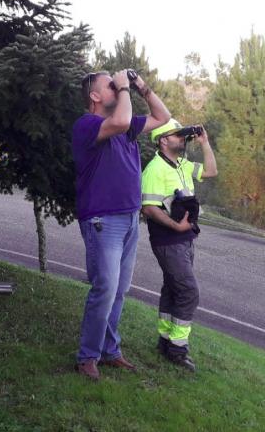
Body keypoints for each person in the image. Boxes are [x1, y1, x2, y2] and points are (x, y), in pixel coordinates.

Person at [72, 69, 171, 381]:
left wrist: (139, 85)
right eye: (110, 86)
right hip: (103, 219)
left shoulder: (125, 129)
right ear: (95, 96)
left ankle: (109, 351)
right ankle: (87, 356)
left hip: (129, 219)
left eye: (118, 86)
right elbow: (119, 121)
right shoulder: (86, 124)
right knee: (105, 287)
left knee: (119, 290)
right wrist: (125, 88)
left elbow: (163, 116)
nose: (117, 89)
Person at [141, 119, 218, 372]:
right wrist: (175, 227)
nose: (182, 139)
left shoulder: (182, 164)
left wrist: (204, 143)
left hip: (184, 239)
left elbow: (210, 172)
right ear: (163, 140)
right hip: (169, 239)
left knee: (173, 289)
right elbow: (149, 208)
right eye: (178, 135)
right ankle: (178, 349)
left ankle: (165, 341)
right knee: (188, 292)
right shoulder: (155, 169)